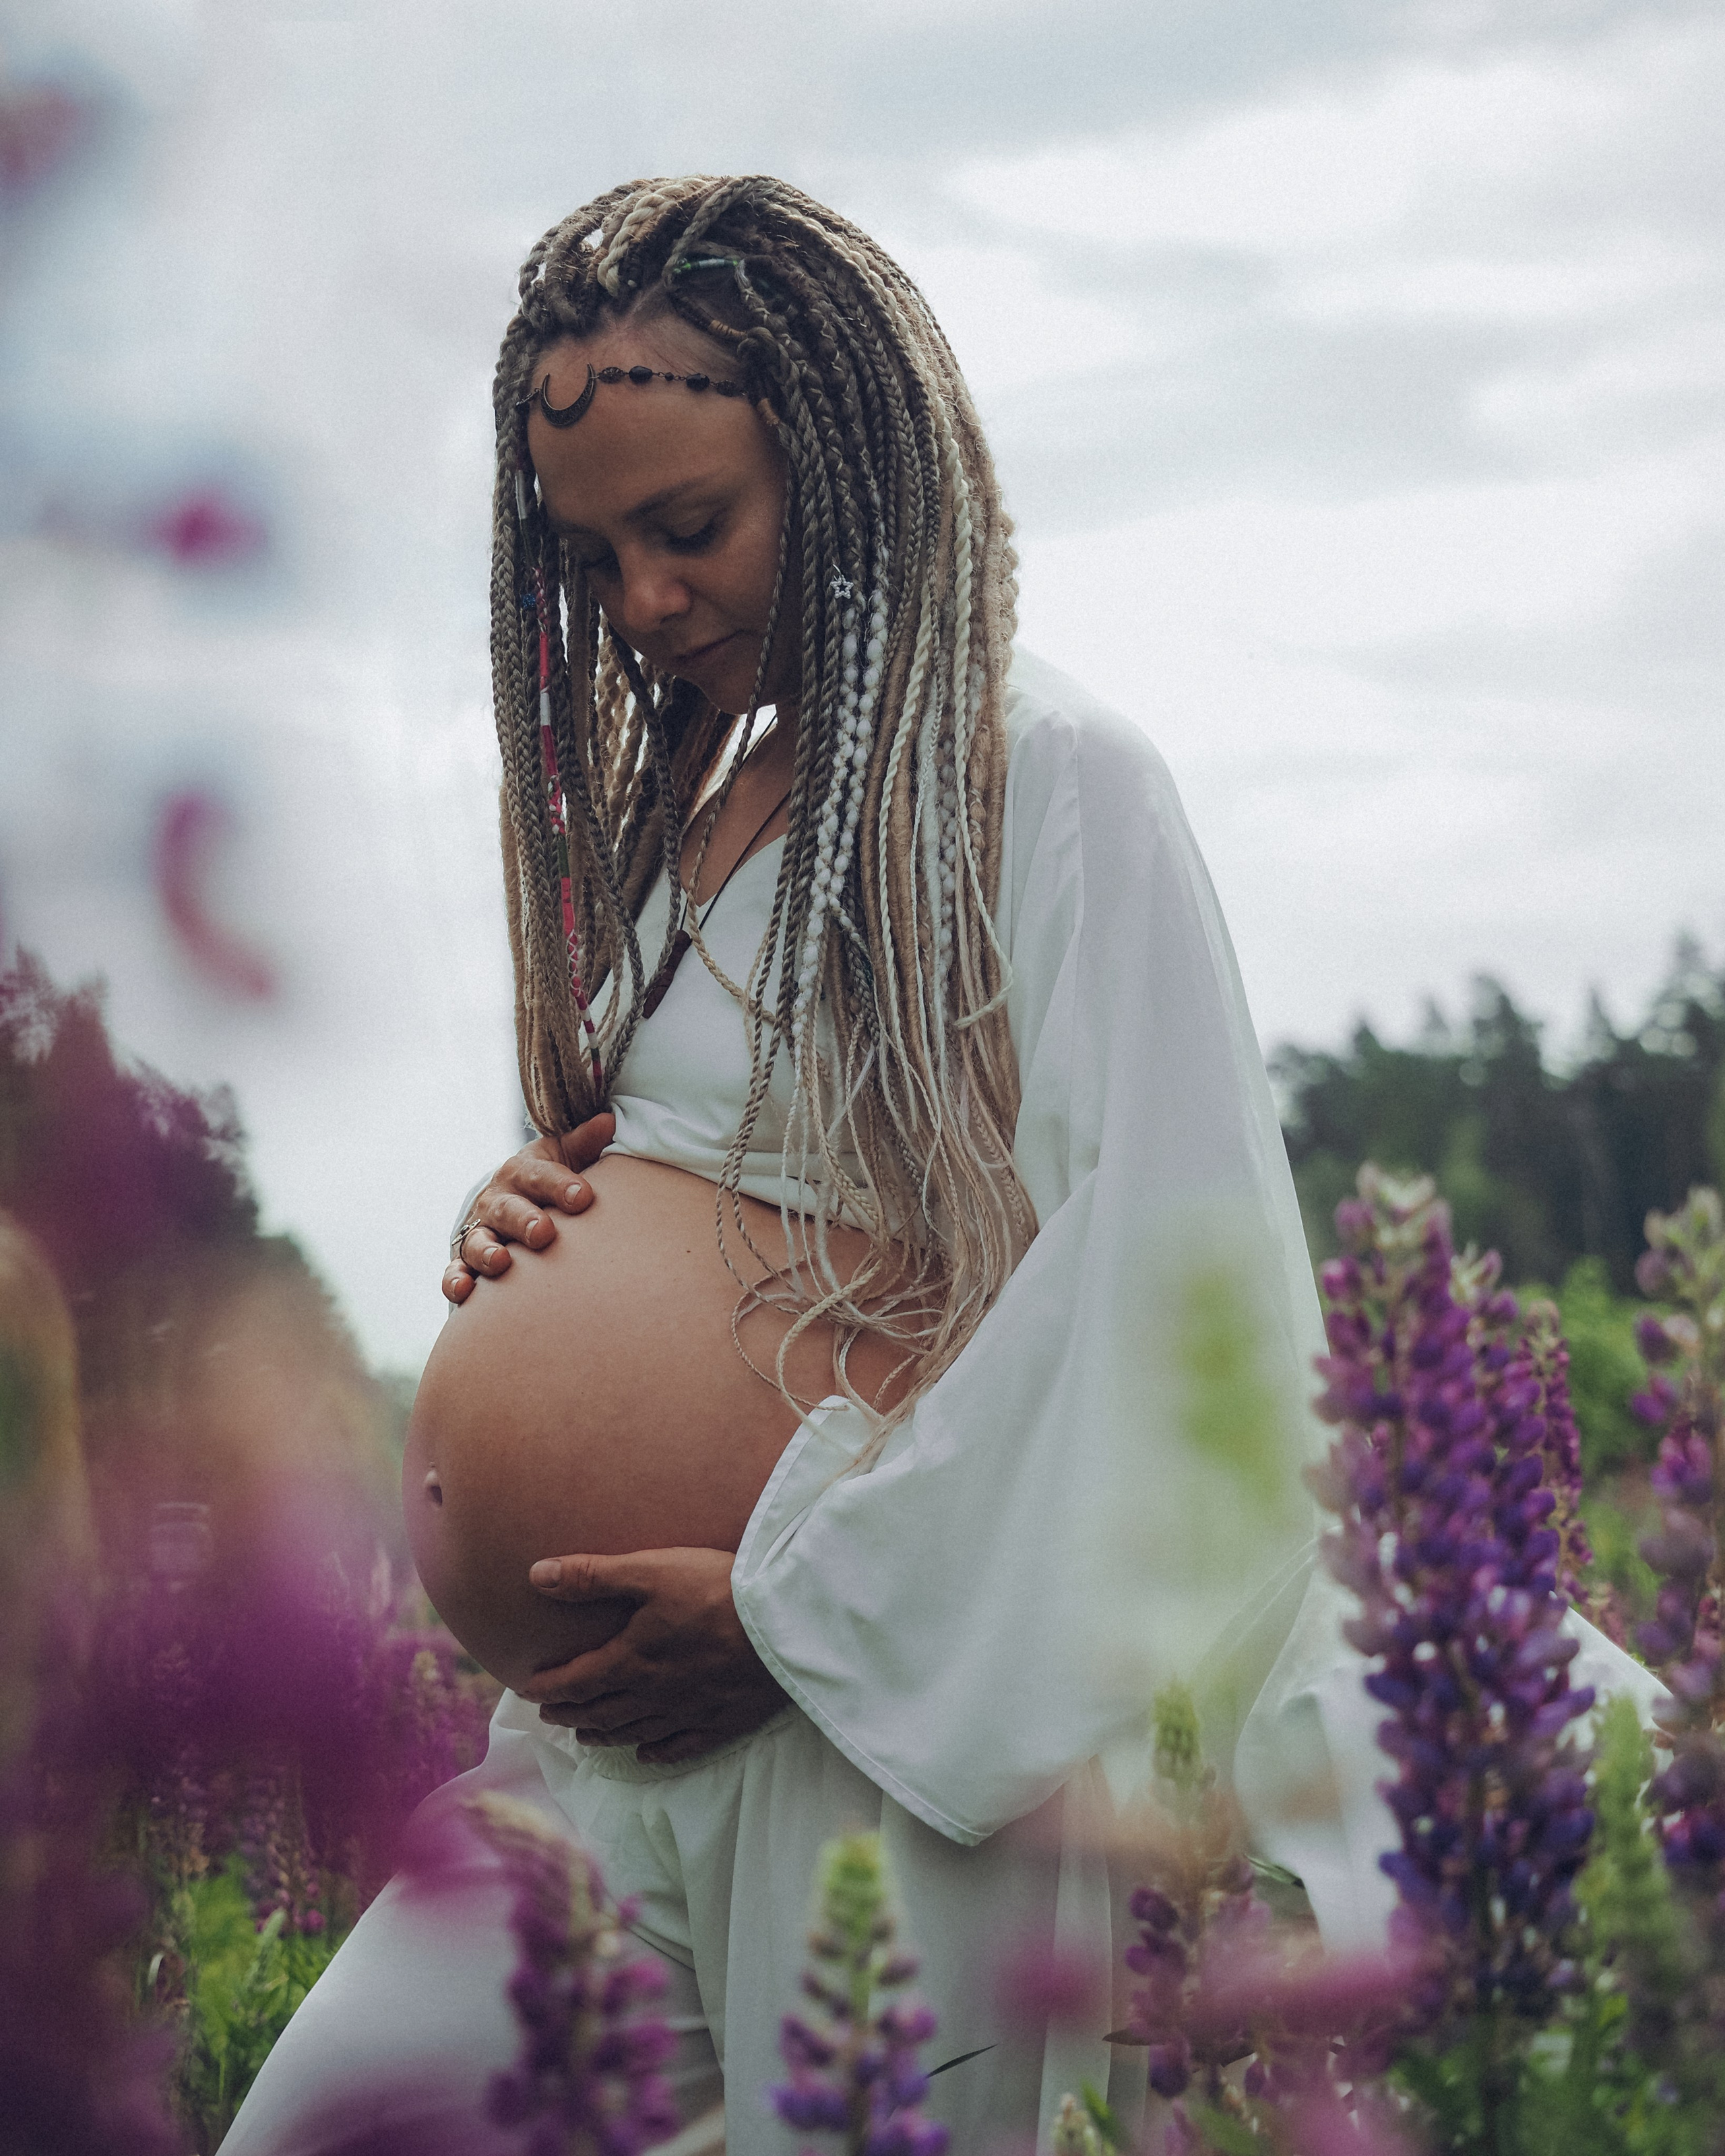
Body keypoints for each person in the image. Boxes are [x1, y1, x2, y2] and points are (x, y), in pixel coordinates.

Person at [222, 175, 1656, 2155]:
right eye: (594, 552)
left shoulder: (1054, 780)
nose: (642, 601)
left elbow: (1174, 1271)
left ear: (844, 457)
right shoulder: (709, 820)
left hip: (871, 1720)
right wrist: (524, 1223)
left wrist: (798, 1608)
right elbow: (735, 1185)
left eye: (690, 526)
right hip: (607, 1742)